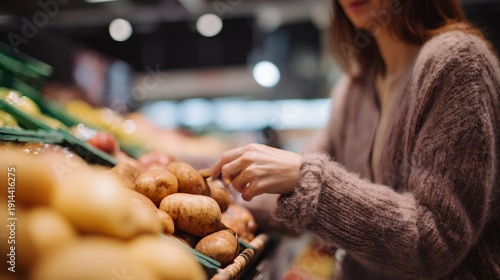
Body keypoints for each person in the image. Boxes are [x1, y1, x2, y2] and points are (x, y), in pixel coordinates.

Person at [210, 0, 500, 279]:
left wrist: (305, 181)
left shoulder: (459, 64)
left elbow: (437, 240)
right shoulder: (355, 87)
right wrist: (211, 193)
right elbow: (287, 191)